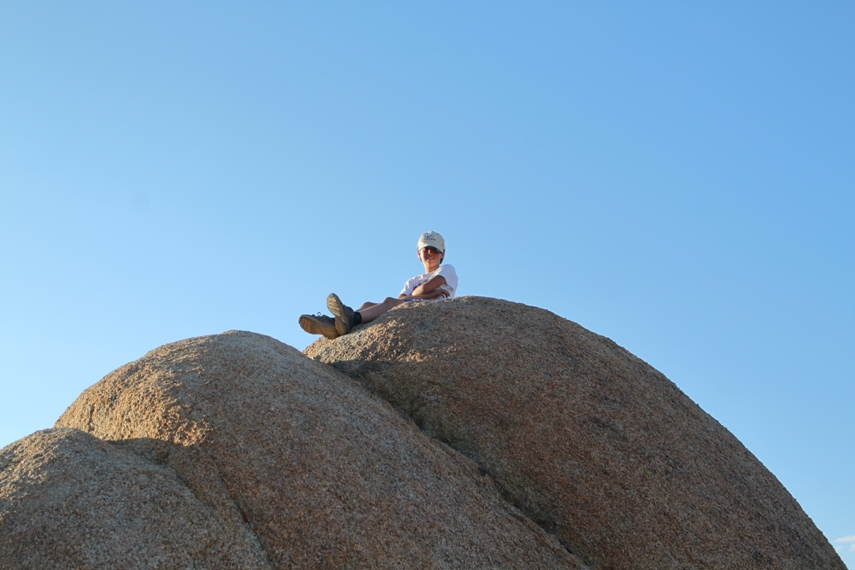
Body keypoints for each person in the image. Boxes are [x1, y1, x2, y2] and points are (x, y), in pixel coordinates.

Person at [299, 231, 458, 339]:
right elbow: (404, 298)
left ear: (442, 254)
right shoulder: (413, 280)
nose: (430, 254)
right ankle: (335, 324)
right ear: (418, 253)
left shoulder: (447, 269)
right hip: (418, 304)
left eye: (434, 250)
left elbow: (423, 288)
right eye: (426, 250)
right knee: (368, 304)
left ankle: (351, 318)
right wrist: (428, 295)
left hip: (431, 310)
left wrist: (423, 293)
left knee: (389, 302)